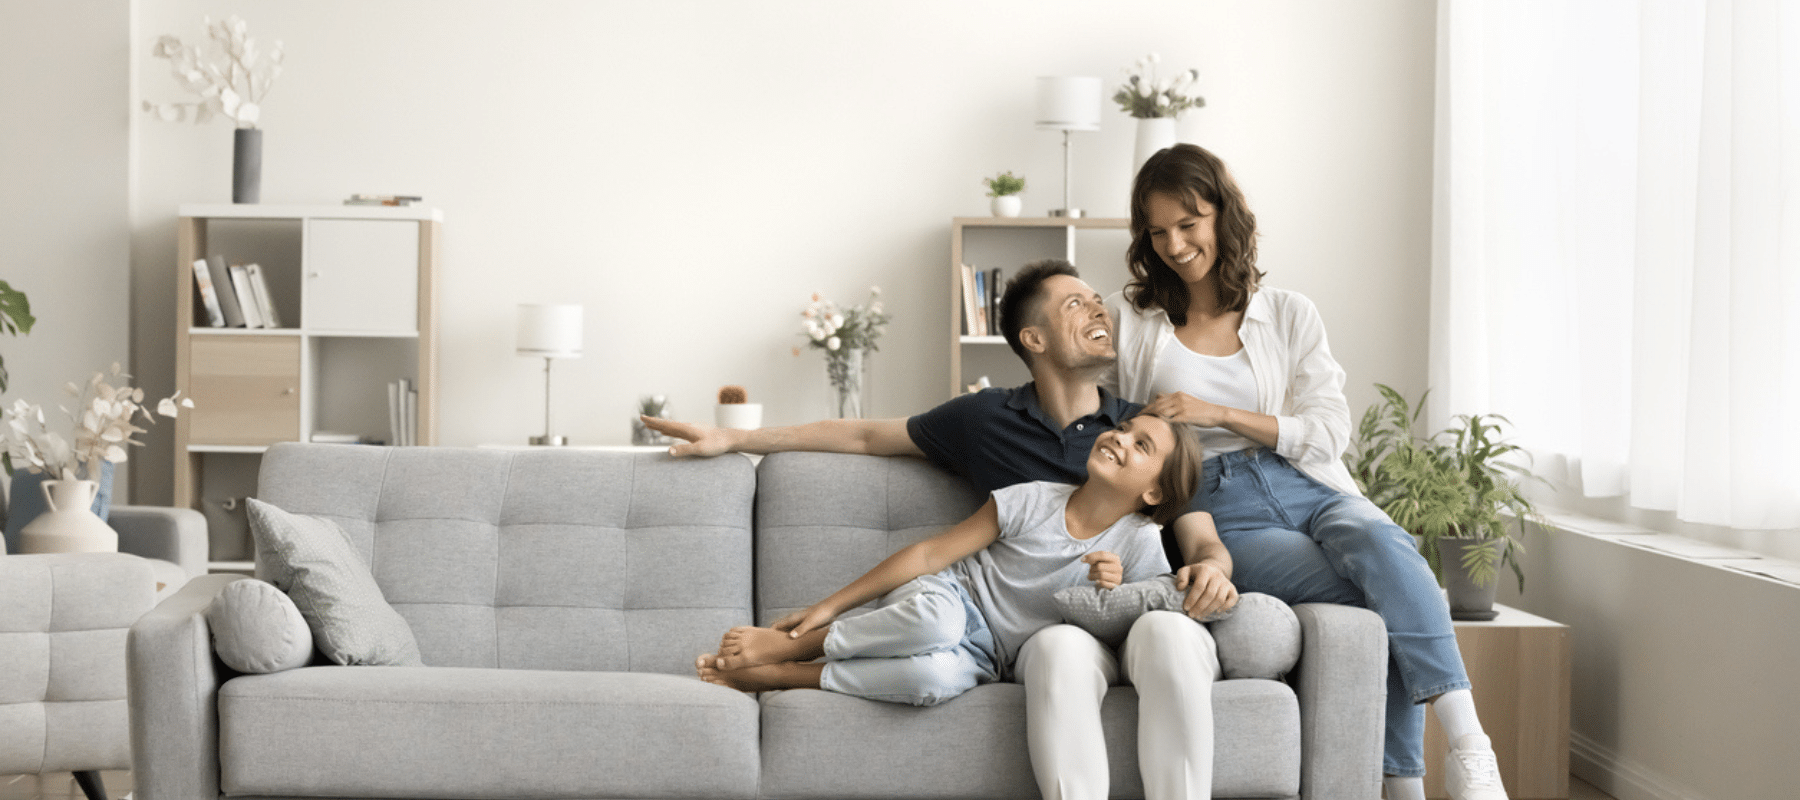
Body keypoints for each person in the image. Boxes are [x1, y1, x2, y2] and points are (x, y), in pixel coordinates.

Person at [642, 259, 1233, 800]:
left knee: (945, 671)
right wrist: (737, 439)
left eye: (1095, 300)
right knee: (966, 635)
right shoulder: (986, 420)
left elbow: (1198, 541)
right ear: (1034, 339)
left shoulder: (1143, 430)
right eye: (1075, 304)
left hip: (1109, 627)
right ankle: (792, 654)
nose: (1099, 308)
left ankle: (788, 667)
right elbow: (866, 436)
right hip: (1019, 633)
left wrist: (1210, 569)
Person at [1106, 142, 1508, 800]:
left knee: (1383, 545)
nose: (1174, 245)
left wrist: (1219, 411)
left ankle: (1469, 747)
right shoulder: (1137, 323)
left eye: (1189, 223)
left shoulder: (1287, 313)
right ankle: (1405, 786)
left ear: (1222, 215)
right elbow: (1088, 398)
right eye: (1158, 231)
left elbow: (1328, 432)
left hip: (1303, 477)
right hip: (1214, 502)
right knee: (1395, 596)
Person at [696, 412, 1200, 710]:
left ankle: (785, 678)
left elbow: (1142, 617)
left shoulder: (1140, 541)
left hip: (989, 658)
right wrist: (828, 607)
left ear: (1154, 490)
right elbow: (930, 554)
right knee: (936, 622)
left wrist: (1112, 588)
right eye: (1124, 428)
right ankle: (797, 648)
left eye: (1141, 445)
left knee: (931, 682)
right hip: (947, 596)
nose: (1118, 437)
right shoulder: (1031, 499)